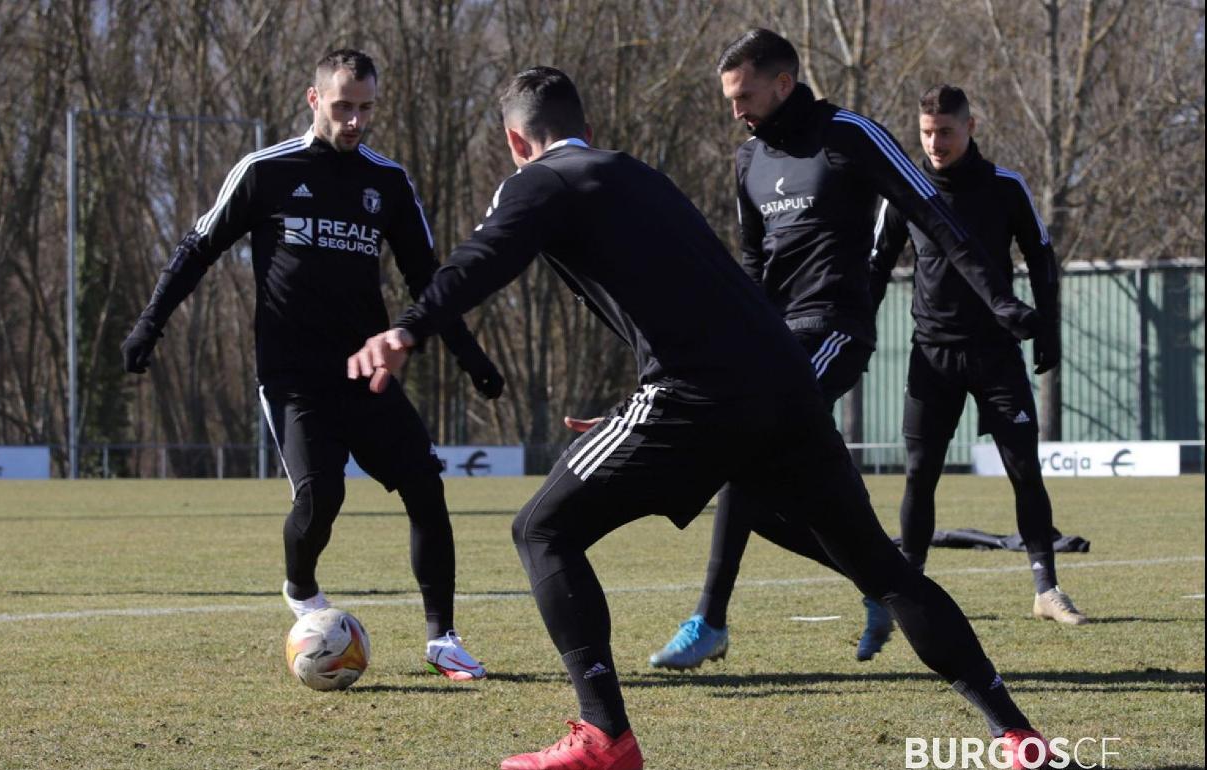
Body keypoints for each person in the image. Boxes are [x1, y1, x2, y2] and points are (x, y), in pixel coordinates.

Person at [347, 65, 1050, 770]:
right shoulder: (637, 175)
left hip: (695, 393)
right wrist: (639, 406)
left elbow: (483, 257)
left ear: (514, 141)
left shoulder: (538, 180)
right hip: (782, 380)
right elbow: (694, 297)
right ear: (587, 129)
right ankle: (1016, 734)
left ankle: (604, 738)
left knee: (541, 529)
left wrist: (406, 329)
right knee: (883, 567)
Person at [649, 28, 1046, 668]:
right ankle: (878, 581)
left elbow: (932, 217)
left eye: (745, 95)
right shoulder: (748, 158)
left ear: (783, 84)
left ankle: (710, 619)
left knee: (744, 447)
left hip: (834, 327)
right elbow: (753, 266)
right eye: (729, 98)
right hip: (771, 337)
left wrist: (1000, 301)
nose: (735, 111)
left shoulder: (850, 133)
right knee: (789, 482)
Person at [119, 48, 502, 681]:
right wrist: (148, 325)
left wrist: (470, 356)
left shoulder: (387, 181)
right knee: (323, 493)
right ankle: (301, 588)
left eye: (366, 108)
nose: (355, 121)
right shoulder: (265, 171)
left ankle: (443, 639)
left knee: (425, 487)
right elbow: (197, 248)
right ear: (313, 98)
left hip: (365, 369)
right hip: (292, 374)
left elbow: (427, 281)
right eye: (344, 106)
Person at [870, 84, 1085, 625]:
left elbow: (1041, 257)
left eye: (945, 130)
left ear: (971, 126)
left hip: (996, 356)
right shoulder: (902, 188)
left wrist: (1049, 331)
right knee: (920, 472)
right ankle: (907, 588)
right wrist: (855, 332)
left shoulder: (1005, 186)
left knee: (1023, 470)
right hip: (931, 356)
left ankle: (1046, 589)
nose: (935, 142)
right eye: (925, 132)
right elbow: (874, 267)